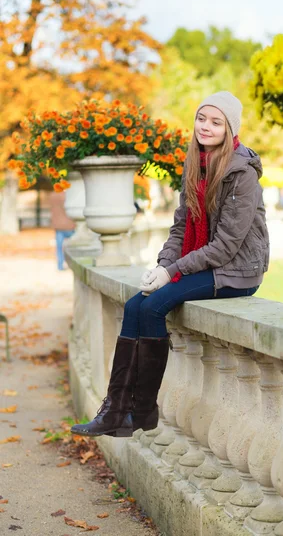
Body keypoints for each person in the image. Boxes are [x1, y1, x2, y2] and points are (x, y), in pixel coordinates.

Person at [71, 91, 270, 438]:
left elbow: (226, 246)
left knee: (153, 309)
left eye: (216, 122)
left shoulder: (242, 173)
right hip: (208, 265)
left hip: (236, 271)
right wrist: (163, 263)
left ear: (230, 128)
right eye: (201, 119)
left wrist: (171, 273)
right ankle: (115, 410)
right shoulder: (196, 163)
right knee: (135, 305)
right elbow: (181, 226)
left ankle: (143, 411)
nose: (205, 127)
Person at [48, 190, 75, 271]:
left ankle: (60, 265)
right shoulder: (71, 195)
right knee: (74, 246)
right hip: (70, 225)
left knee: (59, 247)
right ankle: (72, 264)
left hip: (59, 226)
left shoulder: (53, 195)